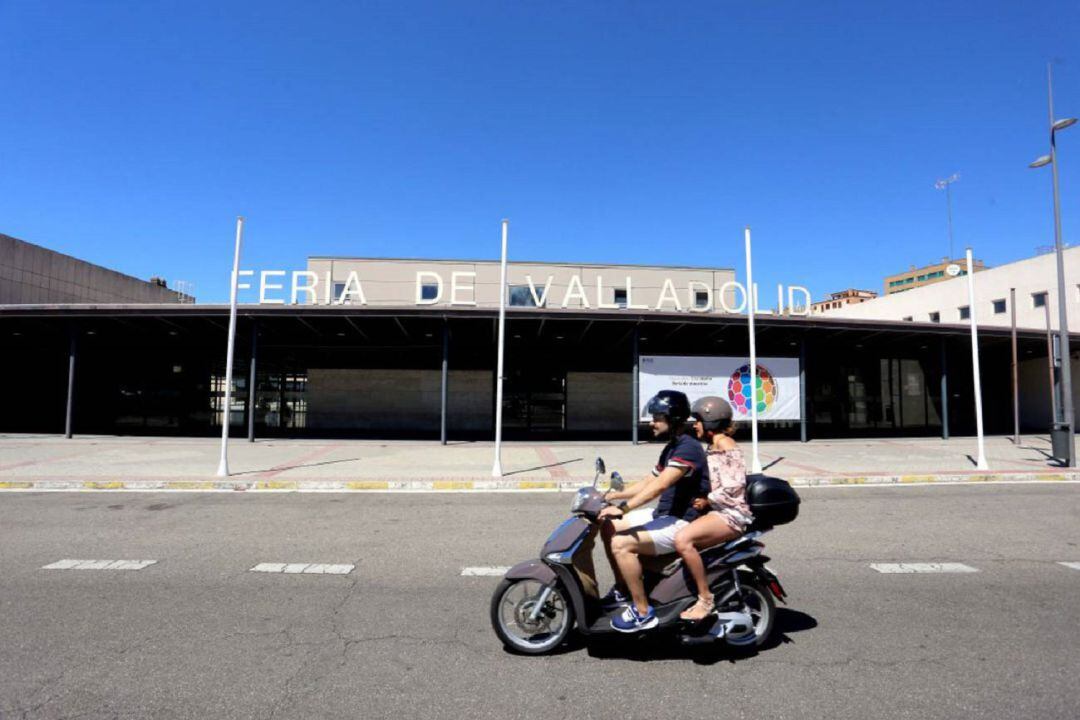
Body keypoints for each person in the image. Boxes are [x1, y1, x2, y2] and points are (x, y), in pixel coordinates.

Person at [597, 390, 710, 632]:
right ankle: (622, 589)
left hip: (682, 522)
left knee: (621, 544)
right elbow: (649, 480)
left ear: (675, 419)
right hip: (662, 515)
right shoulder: (672, 447)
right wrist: (613, 495)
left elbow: (660, 485)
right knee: (607, 526)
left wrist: (623, 509)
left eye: (658, 417)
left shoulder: (688, 448)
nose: (652, 422)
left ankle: (642, 612)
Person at [673, 396, 754, 622]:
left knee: (683, 540)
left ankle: (705, 598)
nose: (694, 425)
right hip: (717, 511)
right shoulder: (714, 445)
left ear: (710, 421)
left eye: (698, 420)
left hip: (731, 514)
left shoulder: (726, 445)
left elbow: (734, 485)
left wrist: (707, 499)